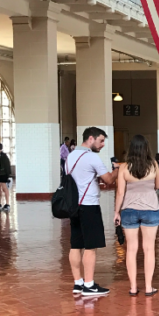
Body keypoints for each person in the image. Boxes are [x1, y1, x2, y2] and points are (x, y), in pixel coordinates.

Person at [66, 127, 118, 297]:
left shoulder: (70, 156)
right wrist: (117, 168)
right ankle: (89, 285)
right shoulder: (92, 157)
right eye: (101, 140)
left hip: (74, 206)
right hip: (89, 205)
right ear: (91, 138)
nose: (102, 145)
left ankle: (78, 283)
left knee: (76, 245)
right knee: (90, 246)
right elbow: (109, 180)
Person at [113, 134, 159, 296]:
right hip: (151, 209)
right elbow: (157, 185)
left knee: (131, 249)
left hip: (129, 210)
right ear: (146, 148)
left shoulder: (124, 167)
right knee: (149, 249)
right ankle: (148, 287)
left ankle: (133, 287)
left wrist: (116, 212)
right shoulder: (153, 165)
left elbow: (120, 192)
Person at [0, 142, 10, 211]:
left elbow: (7, 166)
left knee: (4, 189)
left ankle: (7, 204)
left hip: (3, 175)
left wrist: (8, 176)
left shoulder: (4, 156)